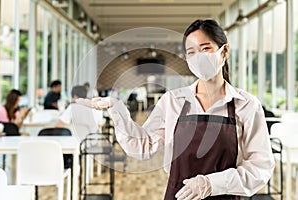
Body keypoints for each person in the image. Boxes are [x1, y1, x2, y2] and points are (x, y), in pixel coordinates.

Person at [78, 19, 274, 199]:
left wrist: (212, 184)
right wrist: (117, 111)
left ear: (224, 52)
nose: (198, 57)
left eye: (205, 48)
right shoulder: (173, 101)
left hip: (226, 196)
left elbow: (260, 167)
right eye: (191, 52)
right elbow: (144, 145)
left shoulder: (246, 105)